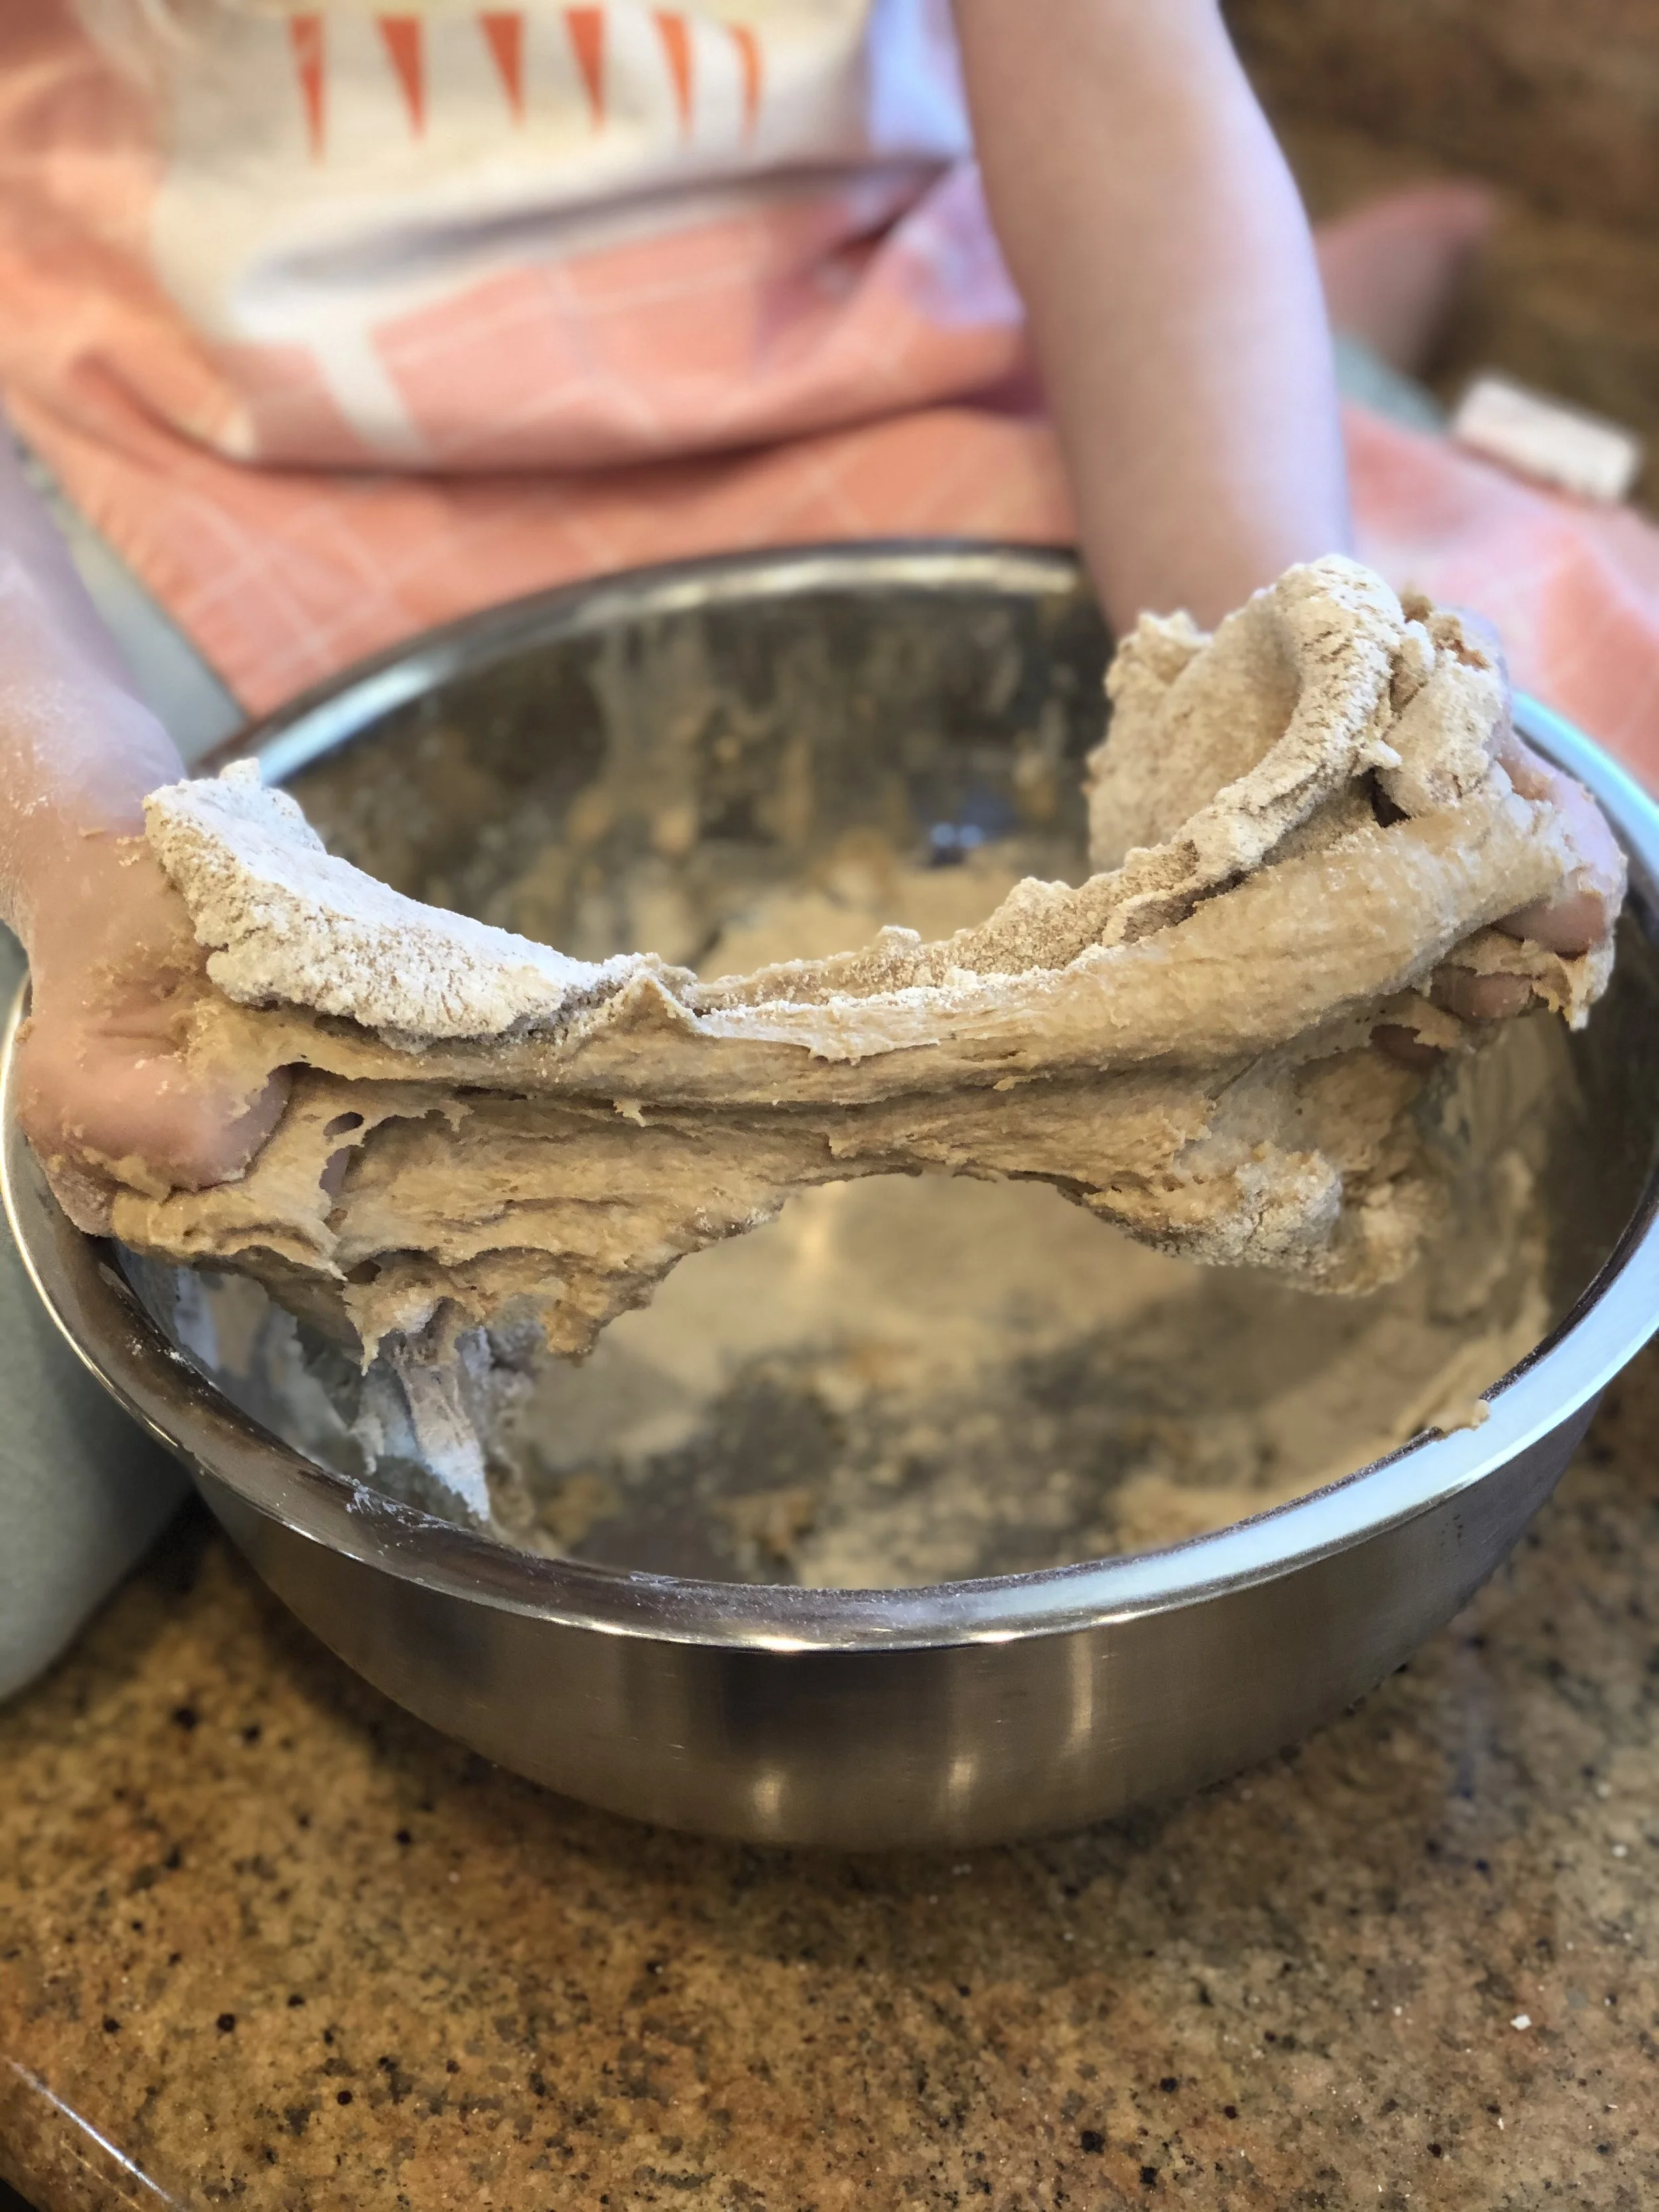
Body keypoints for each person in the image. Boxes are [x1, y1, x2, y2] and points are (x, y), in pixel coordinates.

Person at [0, 0, 1621, 1691]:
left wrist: (1269, 670)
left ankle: (1331, 336)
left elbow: (1115, 93)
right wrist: (82, 823)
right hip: (190, 448)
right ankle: (1357, 349)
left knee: (1574, 722)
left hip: (865, 331)